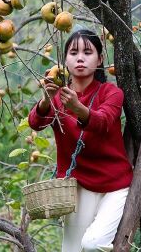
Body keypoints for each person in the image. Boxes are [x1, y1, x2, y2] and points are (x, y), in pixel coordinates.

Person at [28, 29, 133, 252]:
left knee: (93, 245)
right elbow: (35, 123)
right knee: (73, 249)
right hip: (78, 187)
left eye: (88, 52)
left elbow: (103, 121)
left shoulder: (110, 92)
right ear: (65, 60)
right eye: (74, 52)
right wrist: (46, 101)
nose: (80, 58)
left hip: (115, 185)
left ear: (100, 59)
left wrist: (78, 108)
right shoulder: (59, 97)